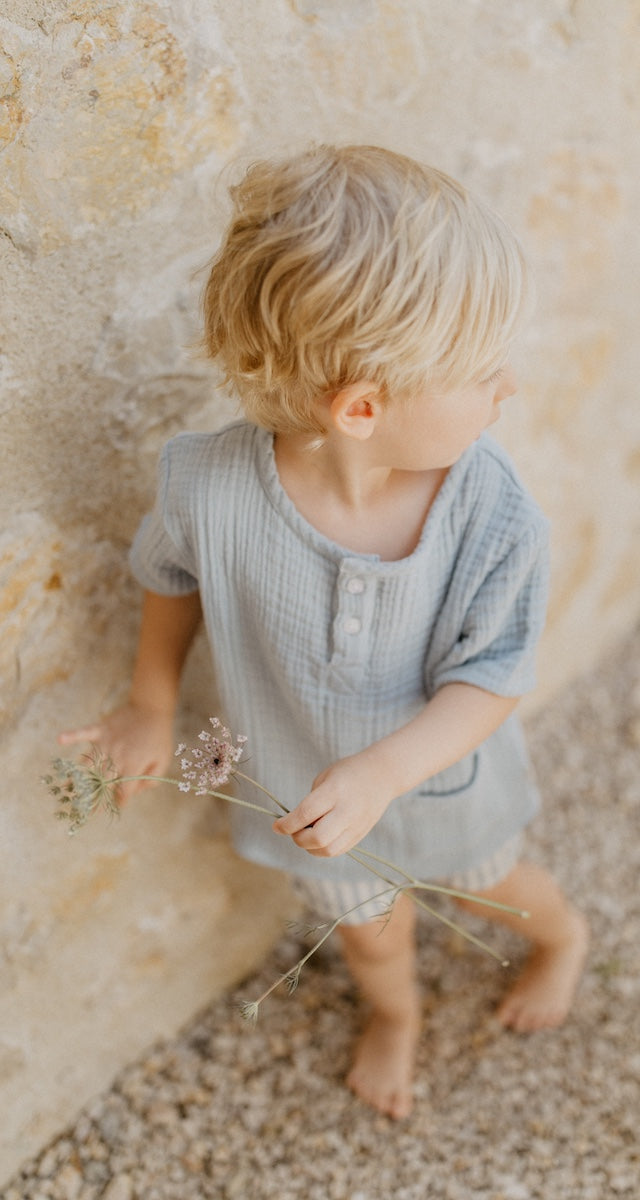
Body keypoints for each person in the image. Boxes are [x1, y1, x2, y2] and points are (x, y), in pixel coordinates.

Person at [59, 144, 588, 1119]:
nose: (507, 384)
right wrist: (149, 702)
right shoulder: (207, 487)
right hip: (306, 793)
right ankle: (396, 1016)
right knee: (367, 931)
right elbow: (168, 578)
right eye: (481, 370)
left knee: (495, 888)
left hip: (443, 786)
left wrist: (384, 773)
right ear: (361, 408)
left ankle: (563, 941)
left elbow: (492, 675)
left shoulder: (492, 510)